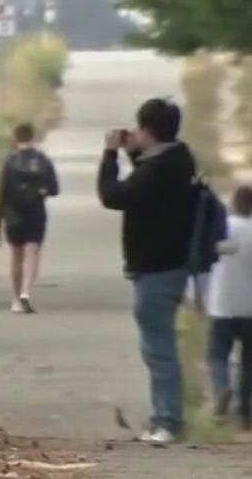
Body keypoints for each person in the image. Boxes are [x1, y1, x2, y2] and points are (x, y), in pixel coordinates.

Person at [97, 97, 197, 444]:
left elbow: (113, 195)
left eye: (139, 129)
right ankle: (162, 417)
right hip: (171, 263)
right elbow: (146, 185)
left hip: (157, 268)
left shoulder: (157, 171)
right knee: (157, 346)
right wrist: (135, 153)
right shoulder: (179, 158)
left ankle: (168, 420)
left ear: (149, 131)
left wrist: (110, 155)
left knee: (159, 348)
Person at [0, 122, 59, 314]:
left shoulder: (9, 162)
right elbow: (55, 189)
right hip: (35, 212)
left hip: (13, 214)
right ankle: (25, 292)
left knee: (16, 255)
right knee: (32, 253)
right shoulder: (43, 161)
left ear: (15, 138)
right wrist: (42, 190)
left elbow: (1, 194)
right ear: (32, 137)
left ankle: (15, 299)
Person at [207, 185, 252, 430]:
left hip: (222, 304)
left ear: (234, 203)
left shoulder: (222, 229)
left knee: (217, 355)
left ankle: (222, 387)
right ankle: (245, 412)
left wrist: (195, 295)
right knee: (248, 363)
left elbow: (205, 262)